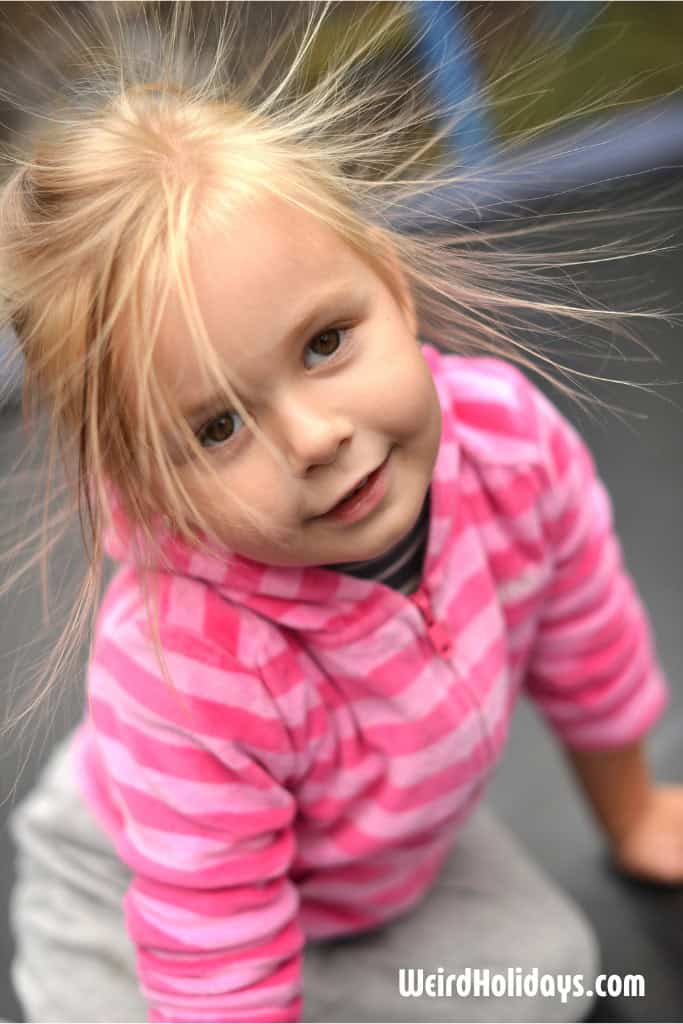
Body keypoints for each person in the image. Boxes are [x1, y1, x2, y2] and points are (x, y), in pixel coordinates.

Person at [1, 3, 680, 1022]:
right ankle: (92, 931)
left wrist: (632, 813)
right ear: (146, 484)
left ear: (390, 288)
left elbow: (586, 635)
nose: (313, 437)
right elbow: (216, 943)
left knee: (549, 970)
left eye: (323, 342)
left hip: (367, 855)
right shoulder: (187, 669)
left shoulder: (507, 444)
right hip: (151, 868)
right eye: (217, 427)